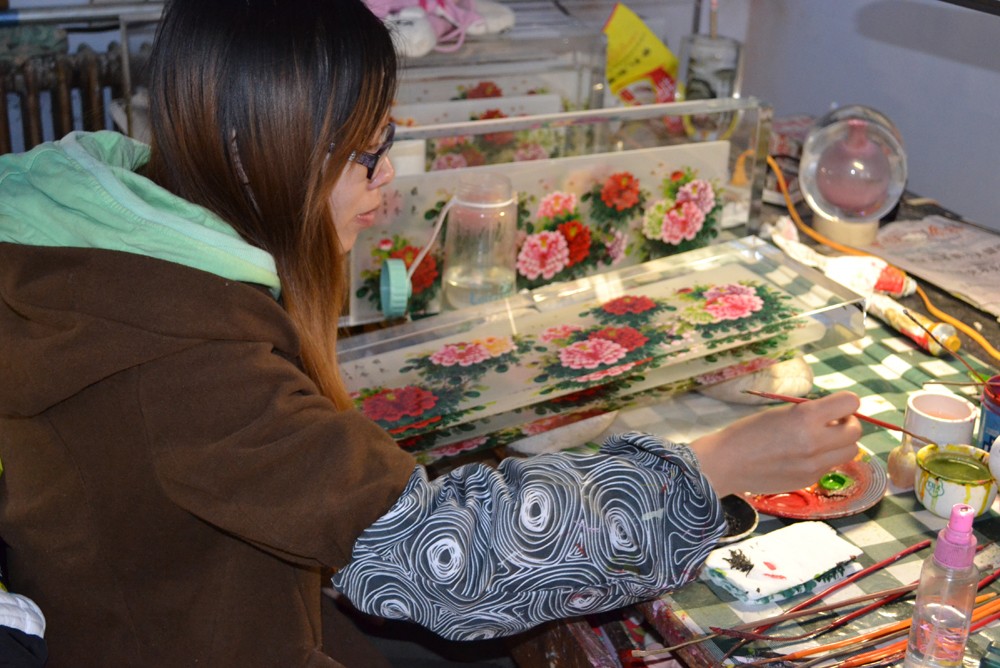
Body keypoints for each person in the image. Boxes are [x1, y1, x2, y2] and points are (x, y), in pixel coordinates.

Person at [0, 0, 864, 666]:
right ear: (249, 148)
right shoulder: (179, 361)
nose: (387, 182)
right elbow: (449, 558)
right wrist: (714, 464)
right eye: (365, 156)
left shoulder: (109, 237)